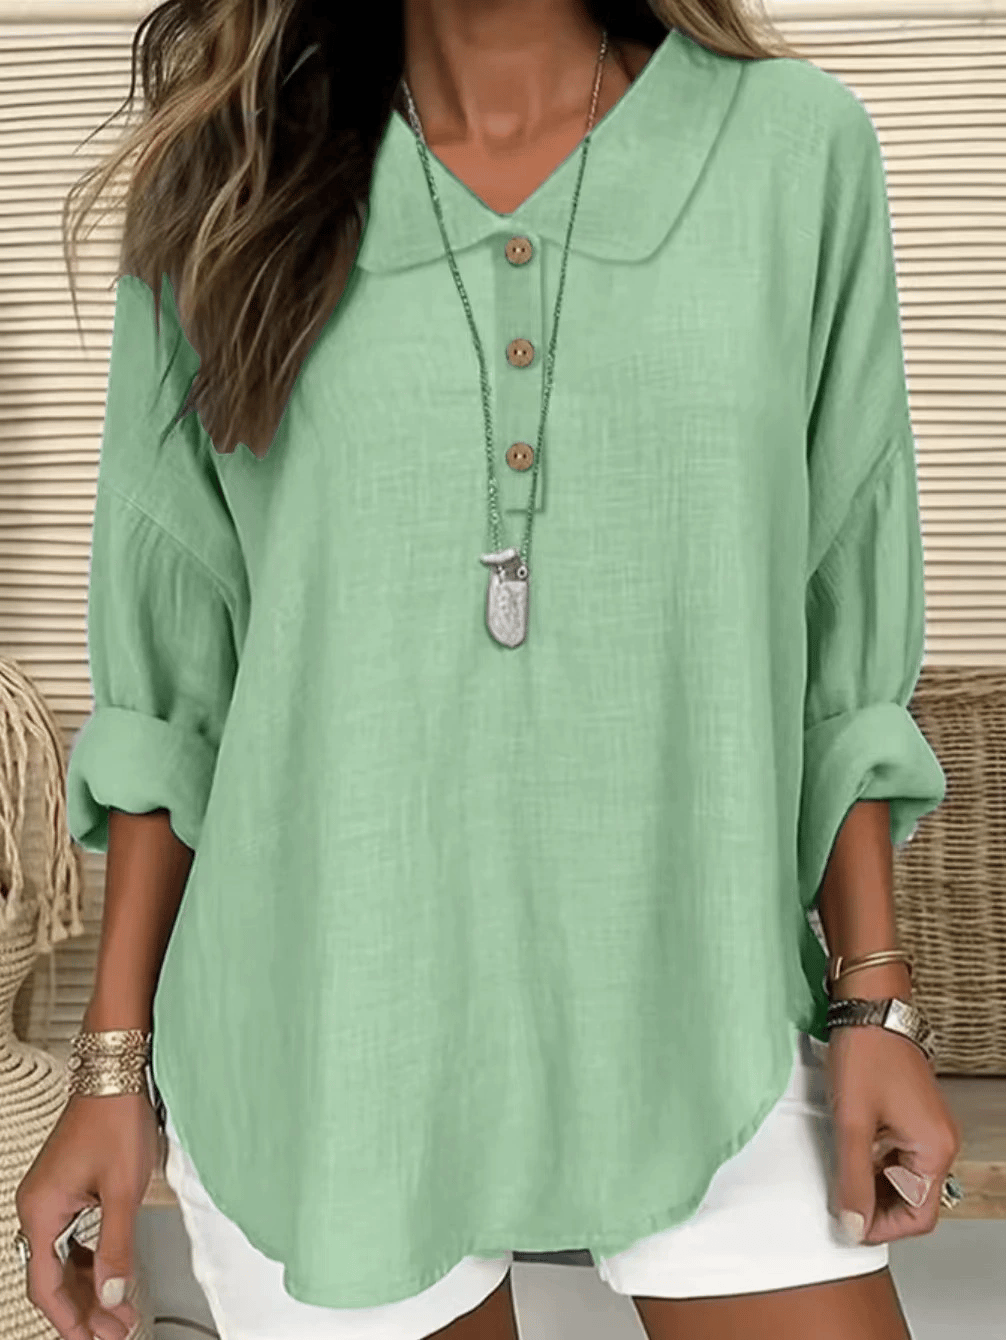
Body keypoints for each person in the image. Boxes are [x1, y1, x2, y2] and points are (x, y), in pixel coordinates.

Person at [14, 0, 964, 1337]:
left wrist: (873, 997)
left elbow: (837, 622)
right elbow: (176, 693)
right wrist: (111, 1069)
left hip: (705, 1003)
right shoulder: (228, 180)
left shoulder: (793, 150)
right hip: (328, 1027)